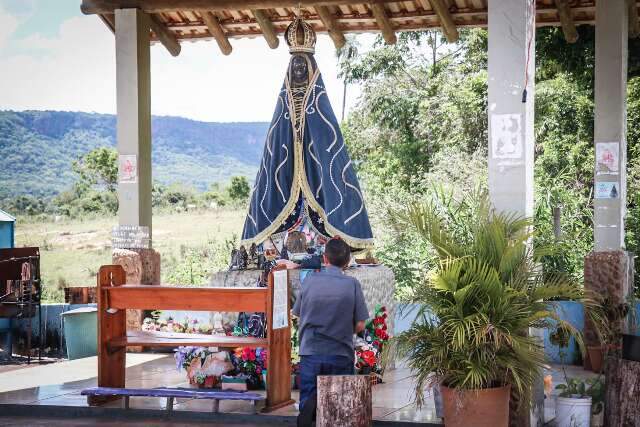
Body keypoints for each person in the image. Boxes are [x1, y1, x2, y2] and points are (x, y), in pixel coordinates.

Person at [292, 237, 369, 420]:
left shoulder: (309, 281)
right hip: (340, 352)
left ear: (324, 258)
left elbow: (297, 314)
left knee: (309, 404)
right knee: (339, 408)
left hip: (311, 352)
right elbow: (360, 324)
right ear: (348, 261)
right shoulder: (352, 284)